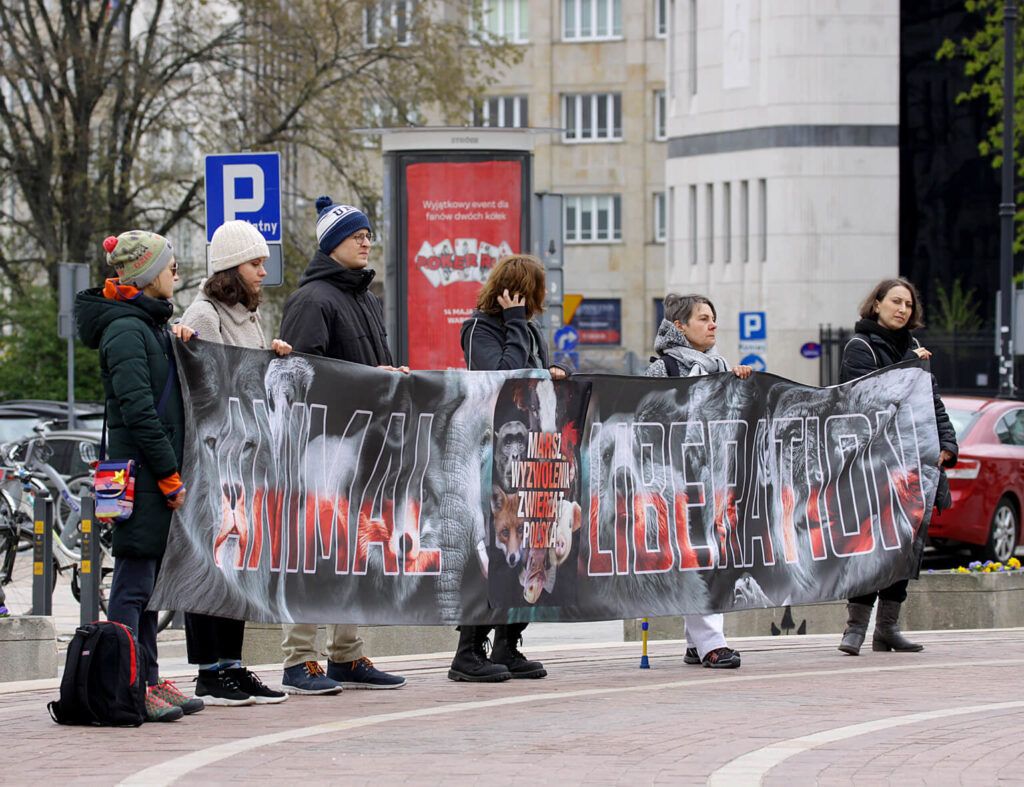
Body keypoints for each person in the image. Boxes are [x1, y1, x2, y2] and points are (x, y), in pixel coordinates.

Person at [276, 196, 407, 694]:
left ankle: (347, 656)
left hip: (364, 449)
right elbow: (301, 377)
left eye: (368, 233)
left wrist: (388, 375)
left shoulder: (365, 299)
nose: (366, 241)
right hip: (322, 453)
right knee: (315, 551)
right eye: (356, 235)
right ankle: (298, 660)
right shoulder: (312, 301)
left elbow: (368, 367)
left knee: (356, 551)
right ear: (332, 245)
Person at [76, 230, 204, 721]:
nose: (176, 273)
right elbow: (139, 413)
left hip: (147, 472)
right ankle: (127, 685)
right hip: (141, 475)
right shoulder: (126, 330)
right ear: (147, 275)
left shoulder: (147, 325)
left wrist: (183, 345)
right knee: (133, 585)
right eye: (168, 266)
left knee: (149, 585)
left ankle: (147, 678)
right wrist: (170, 473)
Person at [179, 220, 292, 706]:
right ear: (230, 268)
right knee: (212, 563)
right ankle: (210, 670)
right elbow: (207, 385)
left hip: (244, 459)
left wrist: (272, 357)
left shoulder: (245, 314)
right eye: (255, 263)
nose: (263, 271)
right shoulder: (204, 314)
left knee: (238, 562)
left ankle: (233, 664)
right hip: (214, 459)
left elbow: (246, 376)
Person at [449, 253, 572, 683]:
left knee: (531, 549)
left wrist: (557, 370)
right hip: (491, 457)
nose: (541, 302)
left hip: (534, 460)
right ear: (518, 292)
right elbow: (501, 375)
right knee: (491, 559)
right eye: (535, 292)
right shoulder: (479, 328)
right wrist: (516, 322)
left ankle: (507, 642)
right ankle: (468, 651)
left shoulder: (530, 330)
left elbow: (536, 376)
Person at [837, 277, 958, 655]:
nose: (902, 309)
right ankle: (855, 629)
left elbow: (931, 403)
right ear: (876, 305)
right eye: (895, 302)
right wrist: (910, 365)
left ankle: (886, 628)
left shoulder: (914, 348)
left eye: (908, 304)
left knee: (905, 548)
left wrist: (948, 445)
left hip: (912, 468)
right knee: (868, 546)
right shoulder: (860, 347)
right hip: (874, 467)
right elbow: (868, 400)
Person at [645, 292, 747, 669]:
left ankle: (696, 642)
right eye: (703, 318)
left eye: (713, 318)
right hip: (678, 481)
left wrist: (739, 384)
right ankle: (711, 643)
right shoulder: (663, 369)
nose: (713, 324)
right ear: (679, 327)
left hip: (714, 480)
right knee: (697, 556)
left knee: (712, 556)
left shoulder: (720, 366)